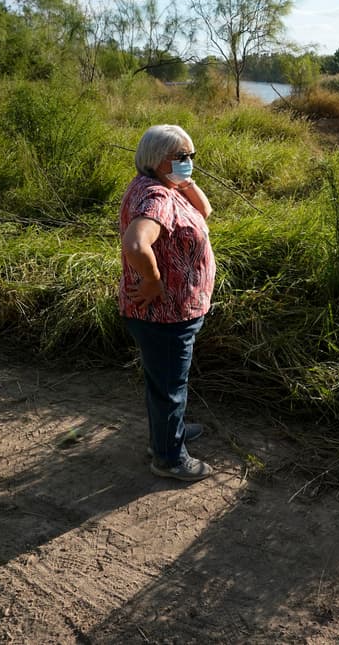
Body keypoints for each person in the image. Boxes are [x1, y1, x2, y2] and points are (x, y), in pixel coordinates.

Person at [119, 124, 216, 481]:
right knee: (170, 387)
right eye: (181, 157)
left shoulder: (160, 186)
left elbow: (204, 211)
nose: (189, 162)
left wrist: (183, 178)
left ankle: (165, 435)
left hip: (170, 312)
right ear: (158, 161)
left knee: (163, 382)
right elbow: (135, 244)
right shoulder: (157, 198)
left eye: (191, 156)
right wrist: (153, 281)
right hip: (165, 314)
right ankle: (168, 458)